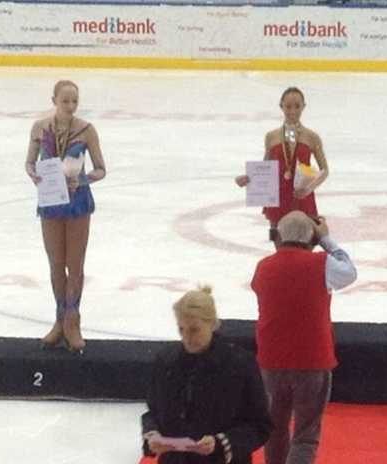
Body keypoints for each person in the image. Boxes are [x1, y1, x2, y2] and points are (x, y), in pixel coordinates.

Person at [250, 211, 357, 464]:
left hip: (272, 359)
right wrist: (327, 240)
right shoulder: (321, 264)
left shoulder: (263, 266)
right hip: (312, 360)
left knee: (275, 430)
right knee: (305, 436)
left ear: (278, 236)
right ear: (312, 237)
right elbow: (349, 273)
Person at [141, 286, 273, 464]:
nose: (187, 337)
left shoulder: (240, 365)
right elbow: (153, 412)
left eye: (194, 330)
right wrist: (153, 435)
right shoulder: (166, 362)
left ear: (212, 324)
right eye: (181, 329)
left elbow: (261, 425)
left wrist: (222, 442)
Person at [25, 80, 106, 353]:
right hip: (50, 201)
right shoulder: (39, 128)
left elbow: (101, 169)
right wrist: (33, 174)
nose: (71, 106)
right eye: (65, 101)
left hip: (77, 202)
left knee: (75, 263)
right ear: (54, 100)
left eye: (75, 101)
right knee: (56, 263)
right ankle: (59, 318)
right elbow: (29, 162)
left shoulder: (86, 131)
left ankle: (73, 320)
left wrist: (81, 179)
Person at [235, 87, 329, 246]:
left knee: (306, 246)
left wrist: (308, 189)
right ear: (281, 106)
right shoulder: (271, 137)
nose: (293, 111)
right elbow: (265, 168)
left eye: (297, 106)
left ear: (304, 107)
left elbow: (324, 170)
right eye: (288, 106)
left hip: (302, 197)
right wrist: (247, 178)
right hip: (279, 198)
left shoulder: (312, 137)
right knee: (280, 247)